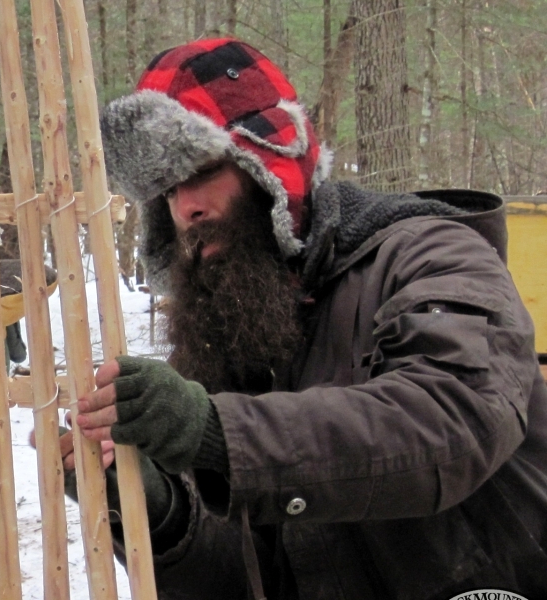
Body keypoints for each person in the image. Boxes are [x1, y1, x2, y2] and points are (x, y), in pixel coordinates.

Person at [50, 38, 547, 599]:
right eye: (167, 189)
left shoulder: (431, 257)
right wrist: (162, 513)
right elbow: (251, 577)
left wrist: (214, 433)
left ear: (269, 165)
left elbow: (453, 418)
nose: (185, 208)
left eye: (203, 171)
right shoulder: (232, 328)